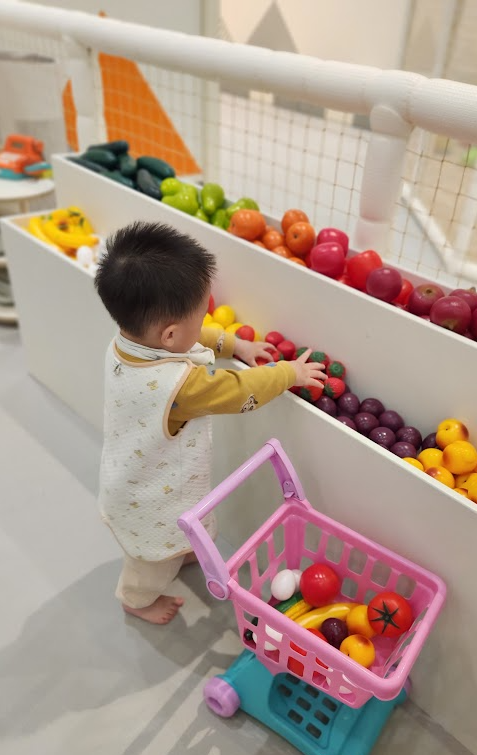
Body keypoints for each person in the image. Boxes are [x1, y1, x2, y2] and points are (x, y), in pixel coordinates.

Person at [95, 221, 326, 624]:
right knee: (150, 566)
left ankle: (176, 550)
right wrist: (289, 373)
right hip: (149, 500)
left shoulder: (128, 341)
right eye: (201, 314)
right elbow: (237, 391)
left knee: (173, 539)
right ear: (170, 335)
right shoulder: (179, 387)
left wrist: (233, 344)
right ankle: (135, 599)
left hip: (132, 475)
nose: (204, 320)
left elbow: (191, 336)